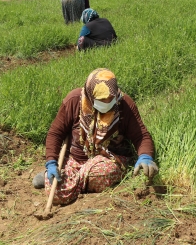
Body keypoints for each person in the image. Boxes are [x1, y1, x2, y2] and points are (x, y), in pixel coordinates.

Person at [33, 68, 158, 206]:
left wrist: (145, 156)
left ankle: (71, 181)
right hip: (75, 161)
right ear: (90, 94)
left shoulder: (125, 104)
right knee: (54, 191)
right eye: (101, 100)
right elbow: (55, 133)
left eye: (110, 99)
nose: (106, 103)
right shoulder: (74, 100)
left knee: (103, 172)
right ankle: (66, 177)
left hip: (107, 161)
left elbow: (141, 136)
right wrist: (51, 162)